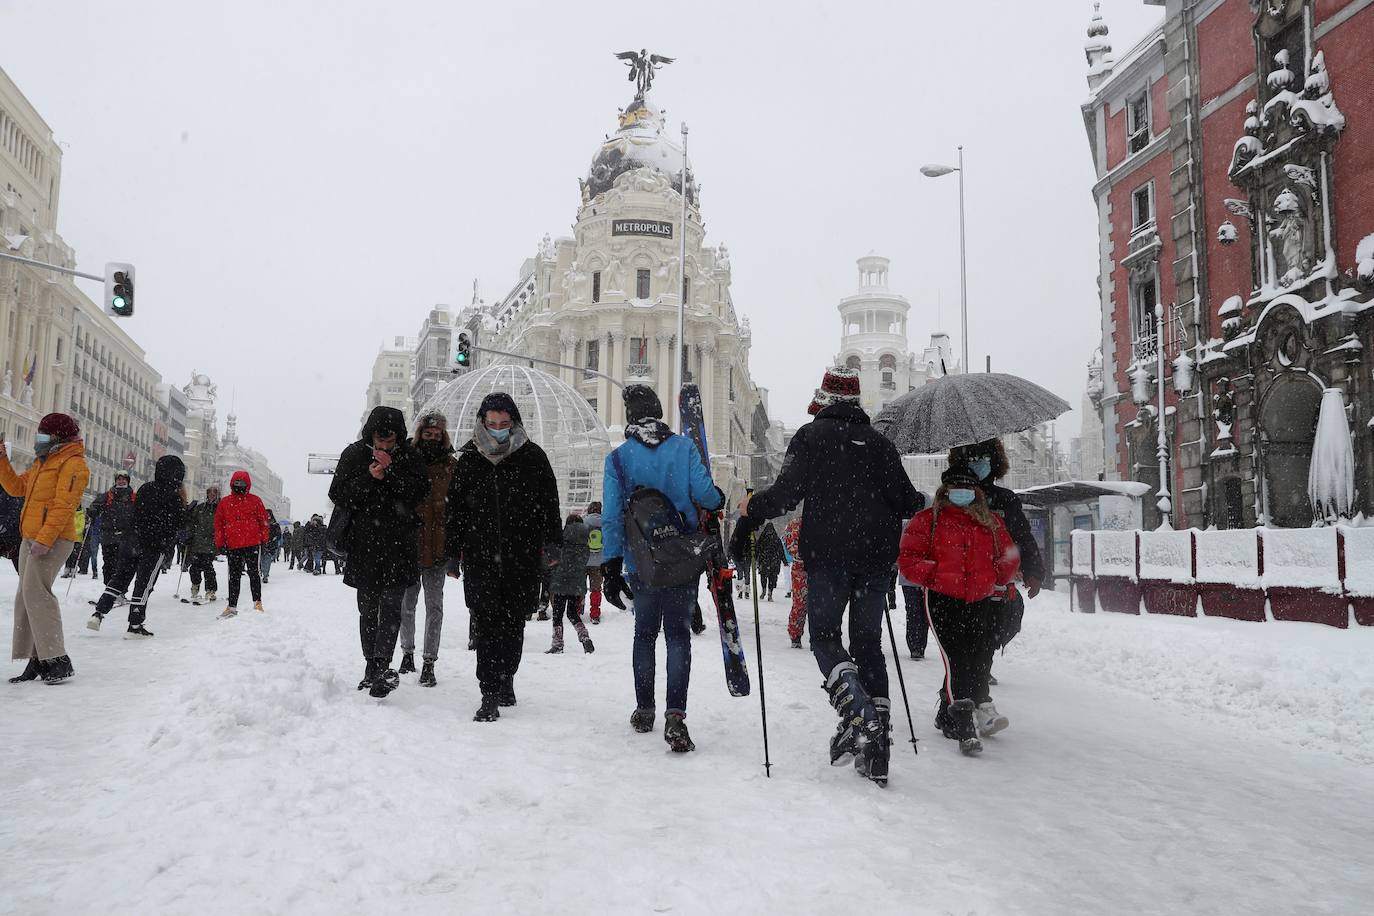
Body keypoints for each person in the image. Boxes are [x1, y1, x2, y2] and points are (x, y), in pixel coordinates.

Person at [737, 368, 922, 786]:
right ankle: (879, 747)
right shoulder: (880, 444)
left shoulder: (811, 437)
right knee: (868, 643)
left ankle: (859, 714)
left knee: (823, 636)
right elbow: (908, 500)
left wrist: (752, 507)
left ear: (823, 399)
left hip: (829, 556)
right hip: (875, 560)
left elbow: (786, 494)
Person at [601, 384, 723, 753]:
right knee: (678, 636)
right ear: (658, 411)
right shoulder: (684, 448)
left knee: (644, 636)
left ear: (630, 417)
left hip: (642, 563)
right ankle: (675, 714)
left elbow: (610, 518)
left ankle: (644, 709)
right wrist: (717, 497)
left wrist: (610, 565)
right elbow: (706, 495)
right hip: (682, 557)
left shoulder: (619, 459)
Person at [446, 392, 561, 721]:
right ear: (482, 422)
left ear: (514, 423)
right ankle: (488, 691)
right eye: (492, 424)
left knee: (512, 623)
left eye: (504, 424)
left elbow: (548, 504)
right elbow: (455, 510)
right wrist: (453, 552)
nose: (497, 429)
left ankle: (507, 675)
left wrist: (552, 543)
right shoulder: (469, 458)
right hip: (481, 556)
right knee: (485, 622)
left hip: (521, 556)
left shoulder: (532, 457)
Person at [898, 463, 1020, 756]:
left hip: (979, 600)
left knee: (977, 658)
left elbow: (1010, 555)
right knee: (956, 660)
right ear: (945, 491)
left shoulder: (990, 523)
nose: (961, 493)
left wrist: (997, 575)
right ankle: (963, 721)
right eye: (956, 488)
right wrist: (935, 574)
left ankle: (961, 710)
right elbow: (908, 558)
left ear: (975, 492)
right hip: (942, 600)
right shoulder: (928, 520)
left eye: (967, 488)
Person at [330, 406, 428, 699]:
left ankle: (383, 666)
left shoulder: (411, 457)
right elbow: (338, 493)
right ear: (370, 434)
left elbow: (420, 492)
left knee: (391, 608)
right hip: (365, 545)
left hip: (399, 545)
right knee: (368, 608)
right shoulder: (354, 454)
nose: (384, 445)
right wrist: (370, 478)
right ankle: (370, 665)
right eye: (379, 439)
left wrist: (391, 472)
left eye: (390, 440)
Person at [949, 440, 1045, 697]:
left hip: (997, 585)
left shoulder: (1005, 499)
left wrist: (1034, 571)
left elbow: (1022, 537)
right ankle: (964, 702)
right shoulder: (954, 496)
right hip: (959, 585)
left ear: (994, 462)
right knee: (961, 647)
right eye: (971, 459)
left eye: (983, 458)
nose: (977, 464)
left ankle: (974, 691)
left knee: (988, 638)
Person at [1, 414, 89, 683]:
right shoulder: (43, 462)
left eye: (42, 433)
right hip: (30, 537)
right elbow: (17, 488)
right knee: (26, 597)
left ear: (57, 436)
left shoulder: (74, 464)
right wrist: (2, 459)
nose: (38, 437)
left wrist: (45, 538)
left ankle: (57, 659)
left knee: (37, 594)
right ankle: (36, 659)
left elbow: (63, 505)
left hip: (52, 539)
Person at [89, 455, 187, 639]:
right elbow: (176, 525)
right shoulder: (174, 497)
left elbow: (136, 513)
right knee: (144, 583)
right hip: (154, 545)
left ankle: (98, 614)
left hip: (131, 540)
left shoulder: (145, 488)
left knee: (120, 578)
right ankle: (135, 624)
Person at [399, 412, 456, 688]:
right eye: (427, 433)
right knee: (406, 605)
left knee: (435, 607)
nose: (432, 438)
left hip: (438, 549)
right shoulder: (407, 461)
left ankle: (429, 662)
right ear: (419, 433)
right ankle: (407, 652)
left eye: (437, 435)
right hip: (410, 546)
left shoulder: (451, 467)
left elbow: (457, 508)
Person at [215, 471, 270, 618]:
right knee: (235, 576)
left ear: (247, 485)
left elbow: (263, 521)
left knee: (254, 574)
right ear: (233, 484)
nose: (239, 487)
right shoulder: (225, 502)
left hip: (251, 543)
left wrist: (263, 539)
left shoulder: (255, 501)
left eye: (242, 484)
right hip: (235, 544)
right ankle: (232, 606)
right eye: (237, 484)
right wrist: (221, 542)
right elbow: (219, 524)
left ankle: (257, 602)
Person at [546, 513, 595, 654]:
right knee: (573, 613)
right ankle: (584, 637)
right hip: (577, 584)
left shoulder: (561, 539)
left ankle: (557, 644)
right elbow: (585, 562)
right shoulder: (585, 544)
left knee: (558, 614)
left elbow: (553, 559)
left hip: (561, 582)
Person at [91, 471, 136, 588]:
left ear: (128, 481)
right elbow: (95, 505)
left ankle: (120, 590)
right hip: (108, 536)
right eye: (119, 479)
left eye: (123, 479)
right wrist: (93, 511)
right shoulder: (107, 495)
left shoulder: (134, 497)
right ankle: (108, 588)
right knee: (108, 564)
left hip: (126, 536)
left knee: (123, 565)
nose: (121, 482)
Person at [898, 516, 929, 660]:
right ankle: (918, 646)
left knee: (915, 613)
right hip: (919, 578)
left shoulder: (906, 525)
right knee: (921, 613)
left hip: (913, 578)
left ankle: (917, 646)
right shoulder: (928, 524)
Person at [185, 486, 220, 604]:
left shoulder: (220, 509)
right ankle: (195, 585)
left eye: (214, 493)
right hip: (197, 542)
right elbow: (192, 522)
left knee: (207, 566)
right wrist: (189, 535)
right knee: (194, 566)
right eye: (209, 493)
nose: (211, 495)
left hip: (211, 543)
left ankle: (211, 590)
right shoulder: (200, 508)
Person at [783, 515, 807, 649]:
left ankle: (797, 634)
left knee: (801, 604)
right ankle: (796, 635)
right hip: (806, 568)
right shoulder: (798, 523)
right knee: (803, 604)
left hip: (805, 568)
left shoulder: (795, 523)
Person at [583, 501, 604, 624]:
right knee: (596, 588)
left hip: (584, 560)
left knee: (580, 587)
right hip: (599, 561)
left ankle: (578, 609)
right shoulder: (605, 522)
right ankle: (595, 614)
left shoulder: (584, 522)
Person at [754, 520, 785, 601]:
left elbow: (757, 548)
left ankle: (764, 590)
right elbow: (781, 550)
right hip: (774, 562)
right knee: (772, 578)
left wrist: (755, 558)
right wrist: (784, 560)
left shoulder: (762, 537)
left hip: (764, 561)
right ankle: (770, 593)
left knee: (763, 577)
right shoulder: (776, 538)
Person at [60, 505, 87, 578]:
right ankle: (67, 570)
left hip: (77, 539)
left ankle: (73, 571)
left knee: (74, 555)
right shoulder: (70, 515)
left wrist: (73, 532)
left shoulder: (81, 516)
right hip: (69, 538)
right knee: (68, 555)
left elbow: (81, 528)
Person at [259, 508, 281, 584]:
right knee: (261, 560)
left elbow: (279, 535)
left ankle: (265, 575)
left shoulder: (275, 524)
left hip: (270, 544)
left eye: (268, 514)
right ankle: (262, 571)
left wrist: (275, 538)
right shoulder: (261, 523)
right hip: (262, 544)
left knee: (267, 560)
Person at [78, 506, 100, 578]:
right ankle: (93, 570)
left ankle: (94, 571)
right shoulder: (93, 514)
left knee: (93, 555)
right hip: (92, 535)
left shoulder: (103, 514)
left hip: (98, 534)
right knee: (91, 554)